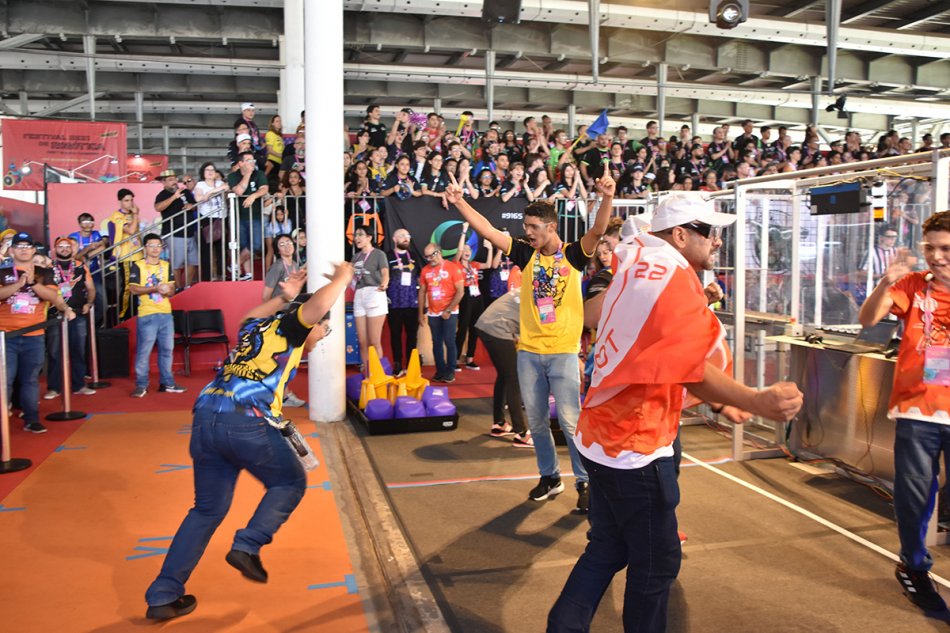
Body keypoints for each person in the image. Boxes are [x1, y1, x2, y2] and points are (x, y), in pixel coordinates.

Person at [547, 194, 803, 633]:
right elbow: (691, 369)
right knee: (656, 565)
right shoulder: (672, 278)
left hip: (600, 433)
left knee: (606, 548)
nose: (717, 242)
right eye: (710, 232)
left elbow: (622, 331)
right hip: (637, 445)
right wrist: (754, 400)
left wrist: (724, 398)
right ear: (681, 235)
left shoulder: (638, 259)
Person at [144, 265, 352, 621]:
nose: (325, 333)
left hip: (206, 418)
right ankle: (248, 545)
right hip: (246, 420)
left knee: (206, 511)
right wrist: (343, 279)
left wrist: (283, 296)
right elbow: (316, 308)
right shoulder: (292, 329)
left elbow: (249, 315)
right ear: (311, 324)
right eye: (326, 328)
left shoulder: (256, 328)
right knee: (289, 481)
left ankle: (164, 593)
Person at [444, 171, 616, 512]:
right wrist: (461, 201)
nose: (528, 232)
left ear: (551, 227)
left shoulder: (574, 254)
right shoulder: (525, 252)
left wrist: (608, 197)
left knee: (569, 422)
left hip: (564, 353)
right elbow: (489, 231)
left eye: (534, 227)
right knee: (536, 422)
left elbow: (597, 230)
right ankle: (550, 476)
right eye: (526, 227)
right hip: (529, 353)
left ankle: (584, 482)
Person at [858, 210, 950, 613]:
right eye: (930, 247)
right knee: (914, 498)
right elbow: (868, 319)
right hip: (917, 410)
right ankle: (913, 566)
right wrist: (886, 282)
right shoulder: (912, 286)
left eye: (945, 248)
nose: (936, 256)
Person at [0, 232, 74, 434]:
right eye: (19, 246)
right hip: (6, 336)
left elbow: (52, 295)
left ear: (33, 250)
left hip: (34, 335)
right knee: (4, 382)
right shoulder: (2, 270)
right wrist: (17, 285)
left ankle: (31, 419)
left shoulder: (44, 272)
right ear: (12, 250)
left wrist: (33, 283)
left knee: (30, 379)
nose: (24, 249)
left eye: (28, 246)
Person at [128, 234, 185, 398]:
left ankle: (167, 382)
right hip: (147, 314)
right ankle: (141, 384)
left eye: (158, 245)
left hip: (166, 313)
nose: (155, 249)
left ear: (162, 248)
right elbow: (133, 289)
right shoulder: (137, 266)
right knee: (144, 352)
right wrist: (155, 289)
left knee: (167, 350)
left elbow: (173, 289)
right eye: (151, 245)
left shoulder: (166, 266)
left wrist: (168, 290)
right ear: (145, 247)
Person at [474, 287, 532, 447]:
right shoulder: (543, 295)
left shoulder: (530, 287)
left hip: (486, 325)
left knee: (505, 375)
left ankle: (499, 424)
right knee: (514, 378)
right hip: (497, 328)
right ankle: (521, 434)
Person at [45, 236, 97, 400]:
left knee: (78, 351)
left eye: (68, 246)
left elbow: (91, 289)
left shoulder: (81, 267)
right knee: (54, 352)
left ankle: (79, 385)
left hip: (77, 315)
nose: (65, 248)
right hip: (55, 316)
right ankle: (54, 387)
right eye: (61, 246)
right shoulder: (47, 267)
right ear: (55, 249)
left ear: (72, 249)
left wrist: (89, 303)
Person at [418, 242, 464, 383]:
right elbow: (422, 292)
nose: (429, 259)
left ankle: (450, 371)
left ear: (439, 252)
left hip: (450, 311)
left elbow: (460, 292)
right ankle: (440, 371)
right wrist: (420, 313)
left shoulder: (453, 268)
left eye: (431, 256)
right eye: (426, 257)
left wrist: (449, 309)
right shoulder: (425, 270)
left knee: (449, 341)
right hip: (433, 312)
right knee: (436, 342)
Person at [351, 226, 389, 370]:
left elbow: (385, 272)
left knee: (374, 341)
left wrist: (385, 283)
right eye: (356, 235)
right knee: (362, 341)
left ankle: (377, 373)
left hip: (375, 292)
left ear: (369, 237)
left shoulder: (378, 254)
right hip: (359, 294)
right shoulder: (356, 257)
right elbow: (349, 275)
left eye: (360, 234)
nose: (357, 238)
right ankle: (367, 372)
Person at [227, 151, 270, 280]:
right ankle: (248, 274)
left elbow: (264, 189)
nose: (253, 163)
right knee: (244, 245)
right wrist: (248, 174)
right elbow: (239, 191)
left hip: (255, 216)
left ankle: (235, 264)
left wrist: (253, 196)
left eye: (253, 160)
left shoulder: (260, 174)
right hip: (239, 217)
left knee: (256, 245)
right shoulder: (233, 176)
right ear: (240, 163)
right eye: (249, 160)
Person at [154, 169, 198, 290]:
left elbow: (195, 205)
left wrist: (191, 206)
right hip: (174, 233)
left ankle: (187, 286)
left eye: (174, 178)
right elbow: (158, 207)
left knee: (193, 261)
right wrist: (174, 197)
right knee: (177, 264)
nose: (174, 182)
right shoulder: (162, 195)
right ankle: (178, 288)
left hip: (189, 231)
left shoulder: (185, 192)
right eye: (170, 179)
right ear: (163, 182)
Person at [386, 228, 422, 377]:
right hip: (394, 303)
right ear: (394, 239)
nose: (406, 238)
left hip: (412, 303)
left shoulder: (413, 256)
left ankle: (411, 365)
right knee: (395, 335)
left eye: (408, 235)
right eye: (402, 236)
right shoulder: (387, 256)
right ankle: (398, 365)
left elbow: (420, 279)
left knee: (412, 335)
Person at [192, 162, 229, 282]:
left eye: (212, 169)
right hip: (207, 218)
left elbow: (227, 187)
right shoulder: (200, 184)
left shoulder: (219, 183)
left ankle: (221, 274)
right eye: (207, 169)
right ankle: (207, 278)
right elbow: (198, 198)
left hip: (221, 217)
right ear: (203, 172)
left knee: (221, 249)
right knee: (206, 250)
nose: (210, 171)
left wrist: (209, 193)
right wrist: (208, 194)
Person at [69, 212, 108, 323]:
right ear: (80, 223)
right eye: (85, 222)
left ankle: (91, 325)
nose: (88, 224)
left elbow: (103, 247)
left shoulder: (96, 234)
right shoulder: (73, 237)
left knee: (103, 304)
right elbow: (73, 257)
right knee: (77, 304)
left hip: (95, 275)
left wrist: (86, 256)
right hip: (77, 277)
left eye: (90, 221)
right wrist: (89, 248)